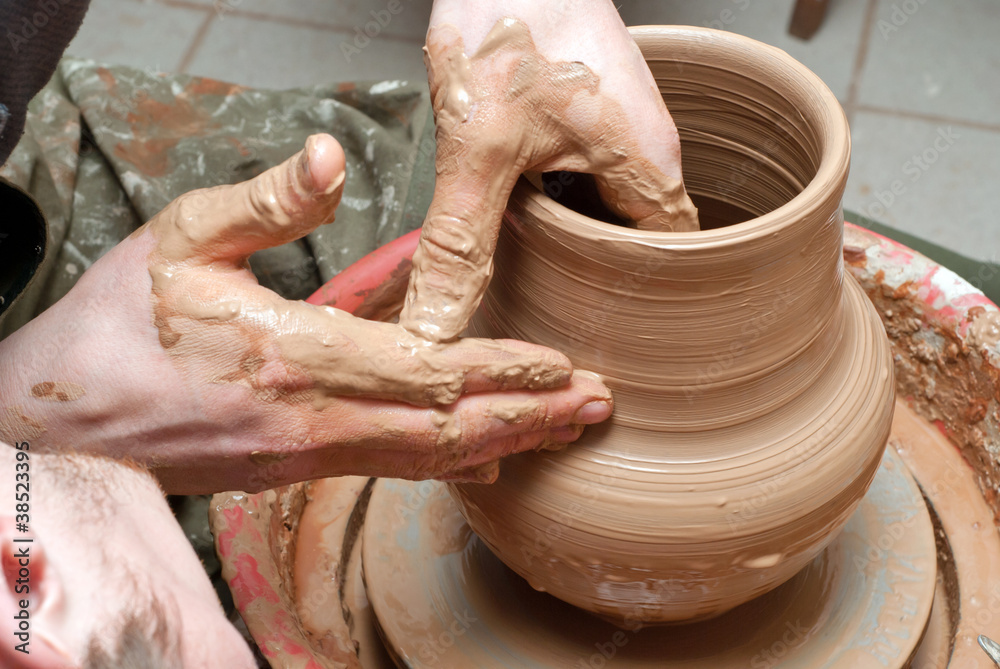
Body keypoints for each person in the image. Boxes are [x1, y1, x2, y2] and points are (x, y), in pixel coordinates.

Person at [0, 0, 694, 664]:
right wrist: (34, 427)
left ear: (26, 584)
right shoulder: (39, 599)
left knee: (520, 144)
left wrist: (32, 398)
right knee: (503, 210)